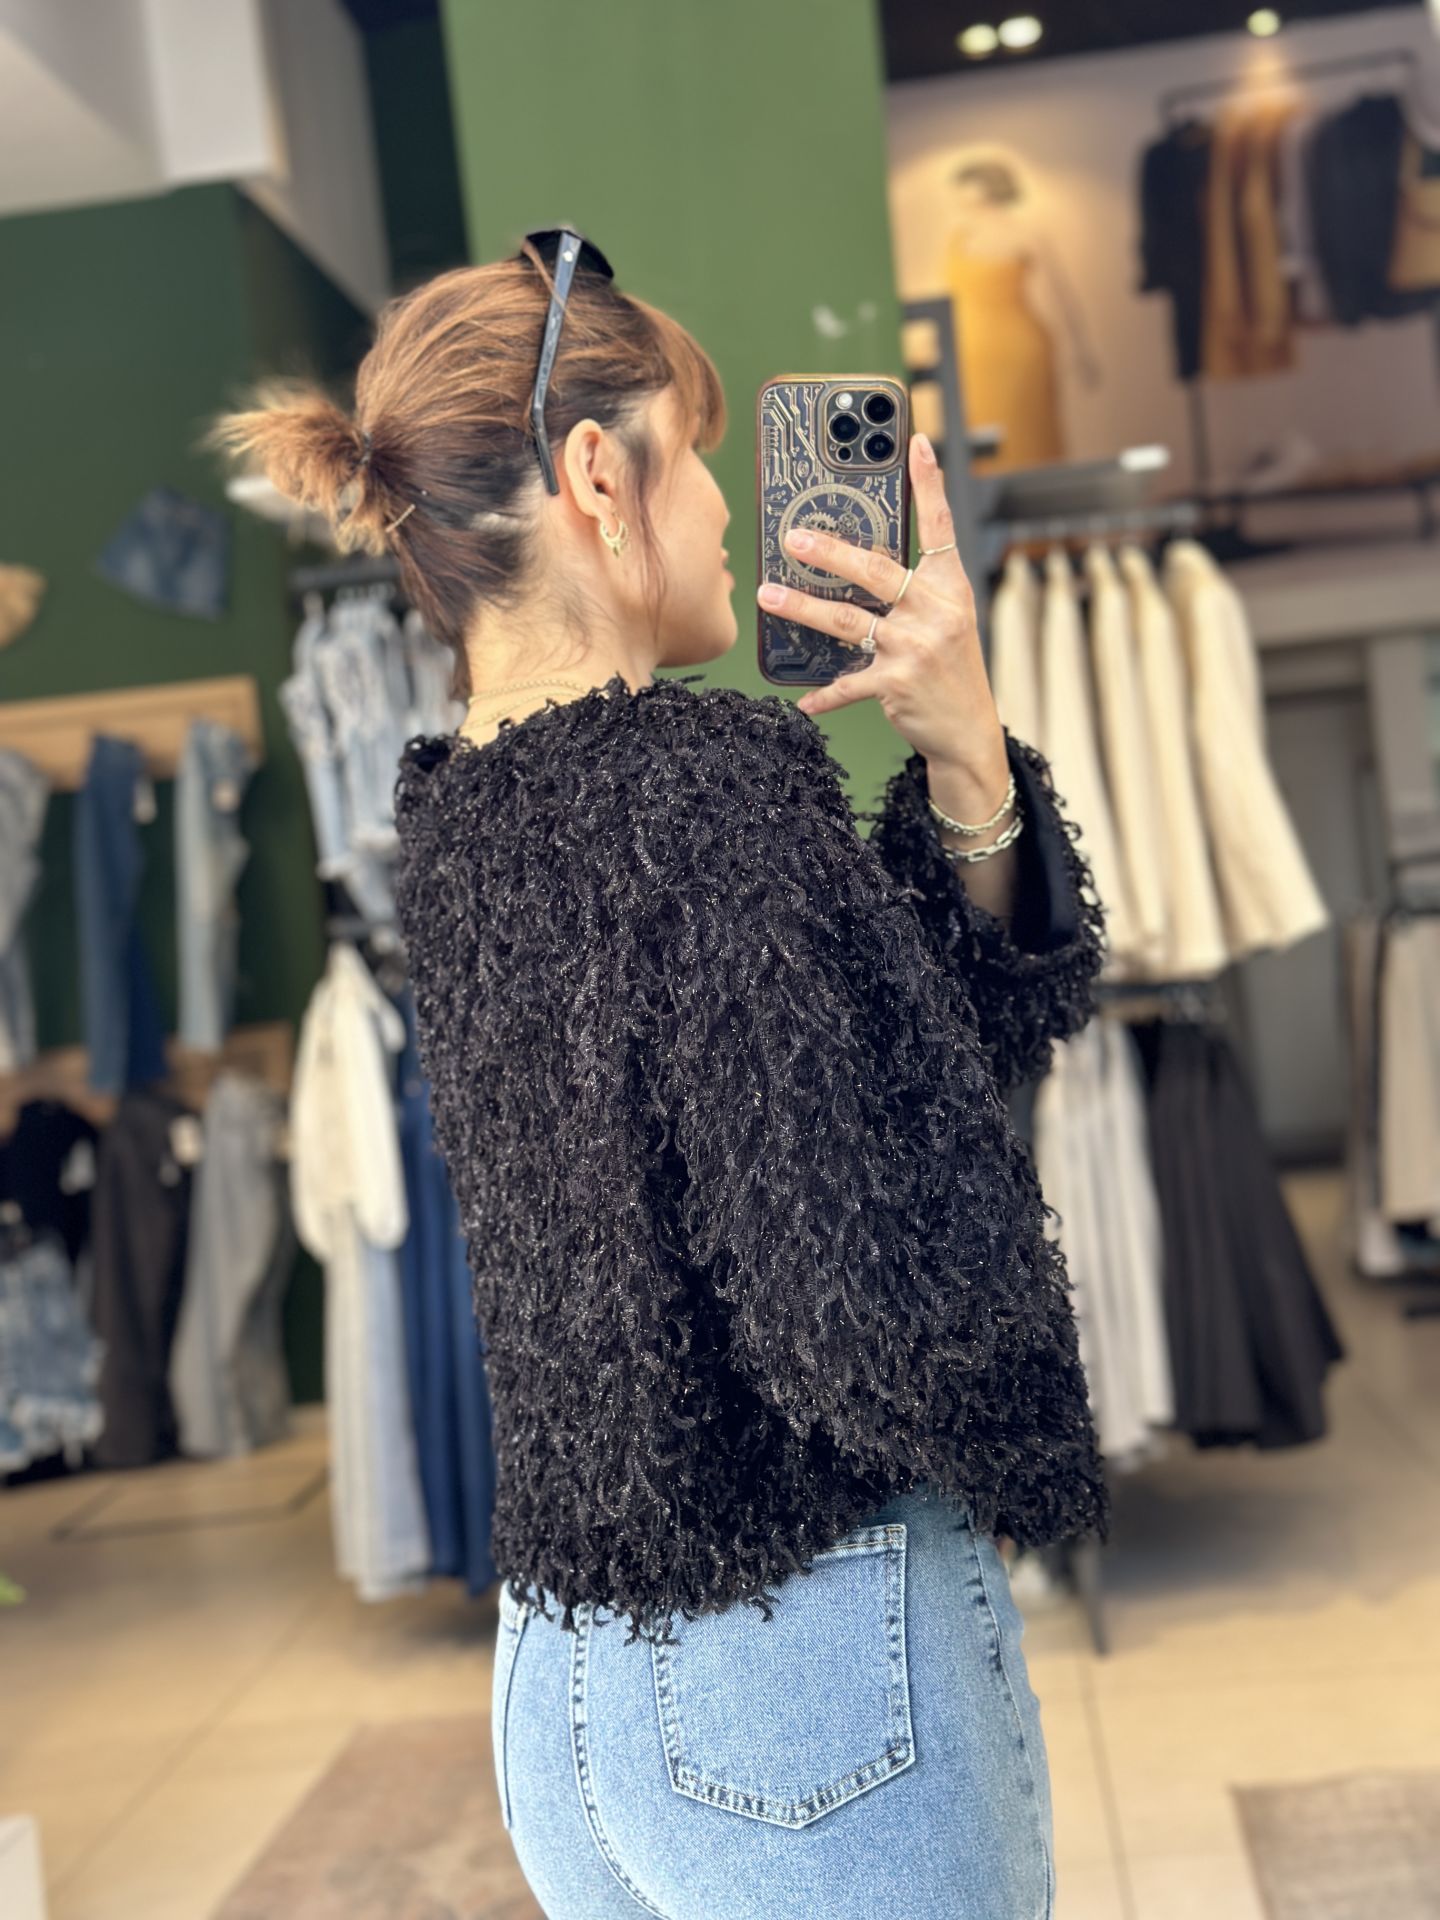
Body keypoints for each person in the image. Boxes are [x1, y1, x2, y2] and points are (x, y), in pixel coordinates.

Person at [206, 229, 1109, 1920]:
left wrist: (966, 767)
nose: (722, 513)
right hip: (802, 1657)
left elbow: (858, 1074)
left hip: (571, 1683)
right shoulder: (712, 788)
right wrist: (1001, 1446)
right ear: (598, 479)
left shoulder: (459, 818)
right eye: (693, 459)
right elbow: (857, 1247)